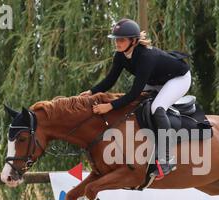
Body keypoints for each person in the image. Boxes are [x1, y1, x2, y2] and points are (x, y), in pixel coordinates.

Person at [80, 18, 191, 180]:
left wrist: (110, 107)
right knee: (135, 107)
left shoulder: (146, 56)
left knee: (156, 108)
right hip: (155, 81)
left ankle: (167, 159)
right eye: (116, 40)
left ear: (134, 41)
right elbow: (110, 80)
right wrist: (91, 92)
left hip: (178, 79)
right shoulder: (120, 55)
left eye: (121, 40)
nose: (117, 43)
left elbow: (134, 92)